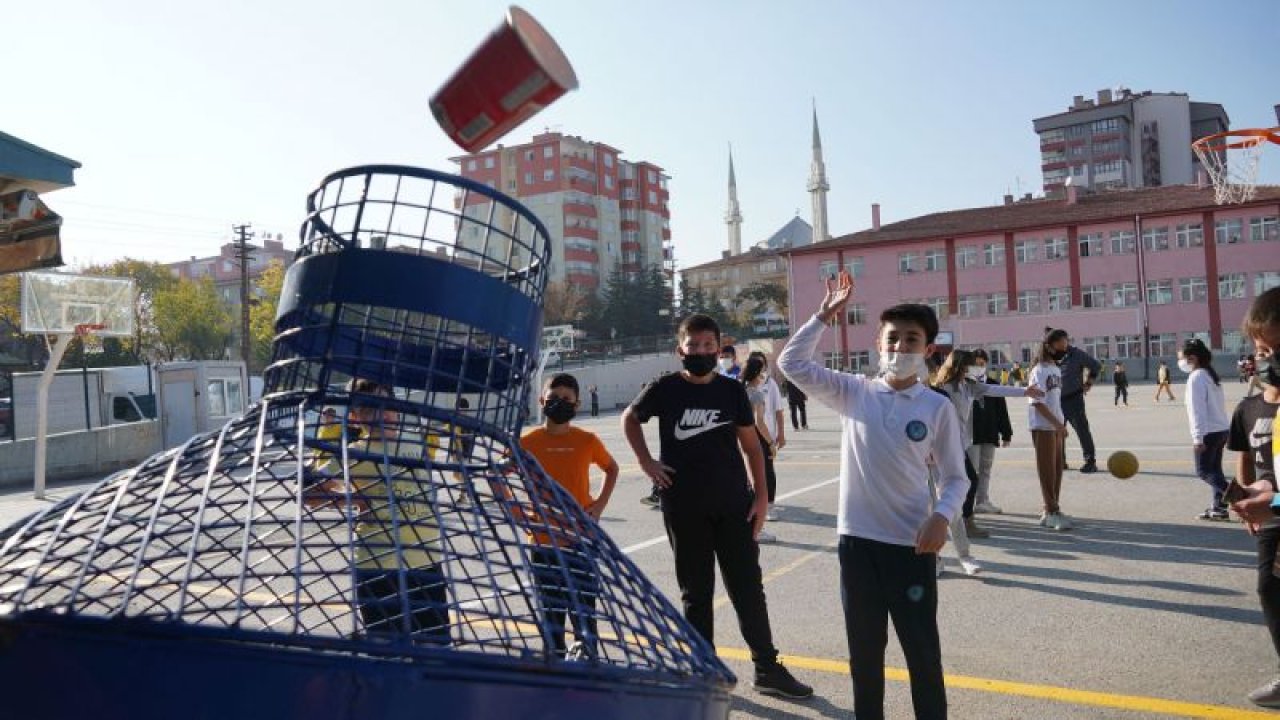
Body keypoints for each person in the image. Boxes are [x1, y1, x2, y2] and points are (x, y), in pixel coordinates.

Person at [778, 270, 966, 719]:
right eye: (892, 339)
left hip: (911, 548)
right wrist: (822, 318)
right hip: (857, 546)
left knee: (922, 654)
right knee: (864, 657)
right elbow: (792, 364)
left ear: (929, 349)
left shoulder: (936, 407)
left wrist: (941, 516)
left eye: (911, 339)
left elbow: (957, 478)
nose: (900, 347)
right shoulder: (854, 393)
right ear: (879, 344)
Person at [622, 313, 813, 700]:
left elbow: (751, 445)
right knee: (696, 593)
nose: (702, 352)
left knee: (747, 588)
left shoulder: (730, 391)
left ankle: (767, 669)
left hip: (733, 505)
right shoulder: (665, 389)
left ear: (718, 346)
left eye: (709, 345)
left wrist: (761, 497)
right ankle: (702, 671)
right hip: (684, 506)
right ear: (681, 350)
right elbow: (630, 418)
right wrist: (646, 462)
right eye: (694, 346)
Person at [307, 380, 448, 644]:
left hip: (426, 562)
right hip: (378, 567)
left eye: (387, 406)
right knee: (386, 654)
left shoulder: (414, 441)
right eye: (370, 410)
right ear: (354, 416)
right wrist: (354, 498)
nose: (382, 415)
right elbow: (310, 492)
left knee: (436, 650)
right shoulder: (353, 454)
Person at [520, 373, 619, 658]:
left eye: (566, 399)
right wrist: (516, 510)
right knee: (551, 616)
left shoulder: (587, 440)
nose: (559, 403)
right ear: (541, 400)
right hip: (543, 542)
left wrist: (599, 505)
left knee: (584, 614)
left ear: (577, 405)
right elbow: (498, 474)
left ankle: (588, 667)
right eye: (553, 398)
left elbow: (611, 469)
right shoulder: (527, 443)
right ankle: (555, 667)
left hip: (581, 541)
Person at [1225, 287, 1280, 709]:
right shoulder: (1253, 407)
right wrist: (1257, 495)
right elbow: (1262, 468)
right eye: (1264, 350)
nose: (1269, 360)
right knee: (1270, 588)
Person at [930, 349, 1041, 547]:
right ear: (960, 366)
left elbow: (995, 390)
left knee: (962, 483)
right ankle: (960, 522)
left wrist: (1025, 391)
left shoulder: (969, 386)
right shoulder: (944, 388)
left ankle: (958, 521)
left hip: (958, 446)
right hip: (942, 446)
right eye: (971, 364)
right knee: (963, 482)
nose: (975, 368)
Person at [1179, 339, 1232, 520]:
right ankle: (1219, 508)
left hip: (1209, 432)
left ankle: (1238, 495)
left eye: (1183, 359)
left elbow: (1197, 410)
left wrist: (1197, 438)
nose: (1181, 363)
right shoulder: (1210, 374)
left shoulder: (1196, 377)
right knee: (1215, 470)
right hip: (1221, 429)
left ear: (1192, 358)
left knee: (1203, 471)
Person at [1029, 330, 1073, 531]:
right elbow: (1037, 402)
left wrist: (1061, 423)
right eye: (1062, 345)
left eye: (1066, 344)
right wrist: (1057, 424)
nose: (1065, 348)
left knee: (1057, 471)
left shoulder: (1055, 368)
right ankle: (1051, 511)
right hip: (1044, 426)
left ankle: (1051, 510)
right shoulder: (1039, 370)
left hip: (1056, 426)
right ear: (1049, 346)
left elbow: (1055, 400)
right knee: (1047, 472)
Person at [1047, 329, 1102, 473]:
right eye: (1060, 342)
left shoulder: (1076, 354)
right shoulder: (1048, 356)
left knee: (1082, 430)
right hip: (1055, 401)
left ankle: (1090, 461)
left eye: (1065, 340)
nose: (1064, 344)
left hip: (1073, 399)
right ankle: (1060, 461)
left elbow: (1096, 365)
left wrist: (1088, 383)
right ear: (1053, 343)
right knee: (1057, 432)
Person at [970, 349, 1014, 515]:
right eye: (975, 364)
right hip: (971, 435)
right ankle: (967, 503)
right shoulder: (965, 384)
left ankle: (982, 501)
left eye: (982, 364)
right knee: (971, 470)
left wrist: (1006, 433)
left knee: (985, 468)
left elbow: (1002, 410)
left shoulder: (993, 384)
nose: (979, 367)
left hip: (989, 432)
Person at [743, 357, 780, 543]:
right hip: (757, 441)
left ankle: (753, 526)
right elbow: (759, 422)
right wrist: (771, 442)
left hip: (743, 440)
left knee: (750, 484)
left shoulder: (740, 391)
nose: (764, 374)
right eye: (763, 371)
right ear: (758, 373)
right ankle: (758, 528)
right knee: (763, 482)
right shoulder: (756, 394)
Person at [749, 350, 787, 524]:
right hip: (754, 436)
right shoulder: (750, 390)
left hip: (761, 434)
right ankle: (761, 510)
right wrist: (770, 443)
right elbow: (759, 421)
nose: (761, 369)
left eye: (762, 364)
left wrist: (780, 434)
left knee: (764, 472)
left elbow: (778, 411)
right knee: (760, 473)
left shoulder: (769, 385)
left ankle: (765, 506)